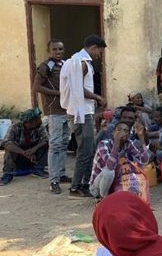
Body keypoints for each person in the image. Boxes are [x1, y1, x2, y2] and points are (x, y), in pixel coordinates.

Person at [60, 34, 107, 199]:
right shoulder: (82, 64)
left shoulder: (72, 62)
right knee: (85, 152)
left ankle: (86, 184)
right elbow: (78, 89)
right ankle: (76, 187)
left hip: (79, 111)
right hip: (82, 113)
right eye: (99, 52)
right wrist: (98, 97)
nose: (98, 55)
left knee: (89, 149)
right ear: (93, 47)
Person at [32, 39, 71, 194]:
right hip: (53, 110)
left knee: (63, 143)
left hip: (66, 110)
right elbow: (36, 87)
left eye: (60, 49)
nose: (58, 52)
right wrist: (58, 93)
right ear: (49, 51)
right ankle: (53, 180)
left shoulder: (64, 64)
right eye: (54, 49)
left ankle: (61, 174)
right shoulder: (46, 66)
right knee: (54, 145)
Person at [89, 120, 150, 202]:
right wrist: (117, 143)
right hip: (98, 186)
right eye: (119, 130)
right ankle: (103, 198)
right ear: (113, 132)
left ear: (128, 135)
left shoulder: (128, 143)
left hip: (117, 181)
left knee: (138, 167)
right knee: (109, 172)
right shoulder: (103, 144)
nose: (122, 132)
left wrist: (141, 138)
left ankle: (116, 194)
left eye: (125, 131)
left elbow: (144, 160)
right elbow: (110, 166)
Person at [0, 108, 49, 186]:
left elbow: (46, 139)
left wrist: (34, 149)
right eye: (37, 120)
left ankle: (38, 168)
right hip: (19, 155)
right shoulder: (15, 126)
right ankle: (8, 174)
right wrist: (23, 152)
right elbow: (5, 142)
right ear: (28, 122)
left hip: (33, 155)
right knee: (10, 147)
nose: (40, 121)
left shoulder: (39, 126)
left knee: (45, 144)